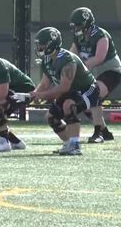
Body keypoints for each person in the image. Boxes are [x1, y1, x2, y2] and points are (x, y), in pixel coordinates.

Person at [31, 27, 99, 155]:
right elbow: (45, 84)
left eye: (42, 44)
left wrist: (39, 95)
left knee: (69, 105)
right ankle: (68, 143)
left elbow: (64, 87)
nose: (39, 47)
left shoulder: (67, 59)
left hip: (88, 89)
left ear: (52, 44)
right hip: (72, 92)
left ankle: (75, 145)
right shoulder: (47, 59)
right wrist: (31, 97)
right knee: (51, 117)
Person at [69, 7, 121, 144]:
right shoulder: (78, 37)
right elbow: (72, 56)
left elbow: (99, 57)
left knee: (94, 94)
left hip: (110, 71)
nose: (76, 28)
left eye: (79, 25)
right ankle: (105, 132)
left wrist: (80, 69)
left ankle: (98, 133)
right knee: (88, 103)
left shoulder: (100, 35)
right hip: (92, 73)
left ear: (87, 23)